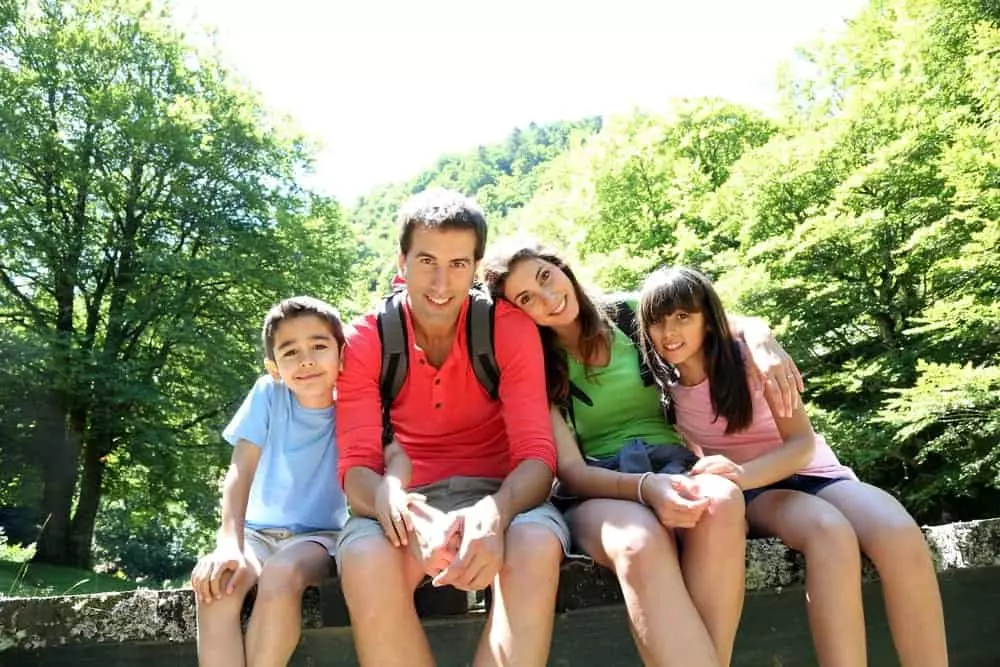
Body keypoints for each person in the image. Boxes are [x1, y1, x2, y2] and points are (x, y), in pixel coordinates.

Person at [482, 240, 800, 667]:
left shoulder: (631, 315)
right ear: (517, 313)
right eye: (526, 298)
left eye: (545, 276)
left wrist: (760, 337)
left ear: (562, 268)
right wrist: (647, 489)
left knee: (722, 502)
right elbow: (572, 471)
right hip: (598, 487)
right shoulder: (534, 363)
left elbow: (714, 318)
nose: (547, 297)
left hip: (673, 462)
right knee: (637, 542)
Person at [637, 266, 948, 667]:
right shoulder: (665, 390)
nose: (669, 331)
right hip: (755, 492)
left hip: (812, 472)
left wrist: (758, 334)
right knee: (828, 531)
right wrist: (737, 477)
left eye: (683, 317)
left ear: (708, 322)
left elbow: (802, 445)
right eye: (658, 322)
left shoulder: (752, 362)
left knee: (899, 533)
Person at [335, 189, 570, 667]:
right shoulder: (366, 340)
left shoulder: (506, 328)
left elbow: (537, 458)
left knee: (535, 545)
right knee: (364, 561)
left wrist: (496, 512)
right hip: (404, 502)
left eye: (459, 264)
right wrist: (406, 515)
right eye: (427, 261)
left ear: (476, 266)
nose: (442, 282)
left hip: (505, 493)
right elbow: (356, 469)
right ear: (401, 261)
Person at [191, 296, 350, 667]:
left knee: (283, 573)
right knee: (219, 585)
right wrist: (229, 544)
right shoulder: (269, 393)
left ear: (343, 354)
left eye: (319, 346)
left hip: (320, 538)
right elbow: (239, 472)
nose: (306, 360)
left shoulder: (354, 405)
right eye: (290, 351)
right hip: (255, 535)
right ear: (274, 366)